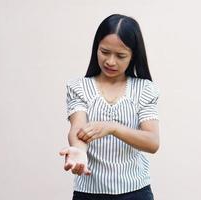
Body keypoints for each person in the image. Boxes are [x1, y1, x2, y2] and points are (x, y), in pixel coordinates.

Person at [59, 14, 160, 200]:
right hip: (89, 192)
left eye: (121, 56)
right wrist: (79, 152)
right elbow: (78, 127)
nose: (110, 61)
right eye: (104, 52)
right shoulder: (79, 87)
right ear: (96, 48)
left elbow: (152, 142)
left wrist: (112, 128)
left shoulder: (145, 89)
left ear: (133, 56)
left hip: (136, 191)